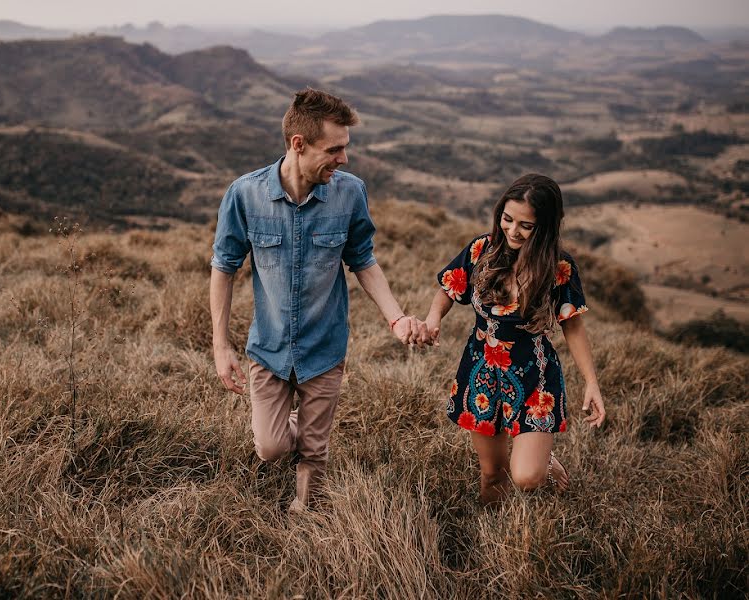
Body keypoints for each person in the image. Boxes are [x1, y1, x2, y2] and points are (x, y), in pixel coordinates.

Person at [210, 88, 424, 512]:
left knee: (314, 453)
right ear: (298, 144)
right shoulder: (245, 194)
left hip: (325, 347)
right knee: (271, 448)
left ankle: (305, 516)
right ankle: (300, 430)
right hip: (268, 348)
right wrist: (220, 346)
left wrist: (396, 318)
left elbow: (363, 260)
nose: (343, 159)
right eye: (335, 149)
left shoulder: (350, 193)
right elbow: (224, 268)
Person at [423, 174, 605, 505]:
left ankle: (541, 455)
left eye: (526, 225)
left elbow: (573, 326)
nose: (513, 231)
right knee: (493, 474)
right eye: (507, 219)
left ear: (545, 227)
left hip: (534, 375)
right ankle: (490, 539)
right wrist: (434, 318)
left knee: (526, 477)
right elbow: (449, 288)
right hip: (481, 371)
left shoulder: (558, 266)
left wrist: (591, 382)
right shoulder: (482, 248)